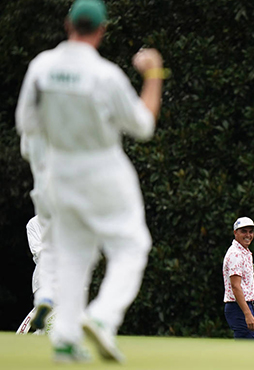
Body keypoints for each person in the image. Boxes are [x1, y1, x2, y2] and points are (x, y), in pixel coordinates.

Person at [15, 0, 164, 363]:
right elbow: (143, 126)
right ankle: (101, 317)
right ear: (101, 30)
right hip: (103, 170)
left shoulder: (41, 68)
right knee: (131, 246)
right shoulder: (105, 75)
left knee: (73, 254)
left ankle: (65, 337)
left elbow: (26, 125)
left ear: (68, 24)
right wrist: (154, 74)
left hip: (60, 173)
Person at [16, 215, 56, 335]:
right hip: (45, 277)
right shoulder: (34, 223)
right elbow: (38, 252)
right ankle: (21, 335)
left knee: (53, 322)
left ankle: (25, 340)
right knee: (50, 311)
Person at [223, 217, 254, 339]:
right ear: (235, 233)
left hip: (242, 305)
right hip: (238, 306)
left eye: (251, 231)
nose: (248, 235)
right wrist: (247, 313)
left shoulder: (243, 251)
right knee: (247, 348)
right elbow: (235, 286)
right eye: (244, 231)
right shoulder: (236, 254)